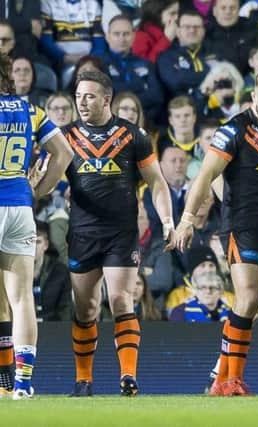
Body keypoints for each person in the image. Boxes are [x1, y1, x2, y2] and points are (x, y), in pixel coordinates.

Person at [175, 69, 258, 396]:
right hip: (241, 224)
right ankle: (232, 381)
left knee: (252, 306)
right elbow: (205, 175)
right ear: (254, 97)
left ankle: (219, 380)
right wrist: (186, 218)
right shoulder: (233, 131)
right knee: (249, 296)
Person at [63, 70, 175, 397]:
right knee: (86, 309)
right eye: (79, 96)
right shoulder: (66, 136)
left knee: (121, 299)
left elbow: (157, 182)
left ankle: (128, 377)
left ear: (107, 99)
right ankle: (83, 380)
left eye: (90, 96)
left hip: (121, 232)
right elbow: (50, 179)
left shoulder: (133, 135)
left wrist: (167, 221)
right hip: (82, 232)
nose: (82, 102)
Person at [0, 52, 74, 399]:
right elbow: (64, 153)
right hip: (19, 207)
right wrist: (39, 191)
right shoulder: (31, 111)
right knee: (21, 298)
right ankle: (22, 384)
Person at [33, 221, 72, 321]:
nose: (33, 247)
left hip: (53, 328)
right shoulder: (14, 272)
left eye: (38, 242)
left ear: (46, 245)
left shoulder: (61, 272)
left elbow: (65, 308)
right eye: (29, 242)